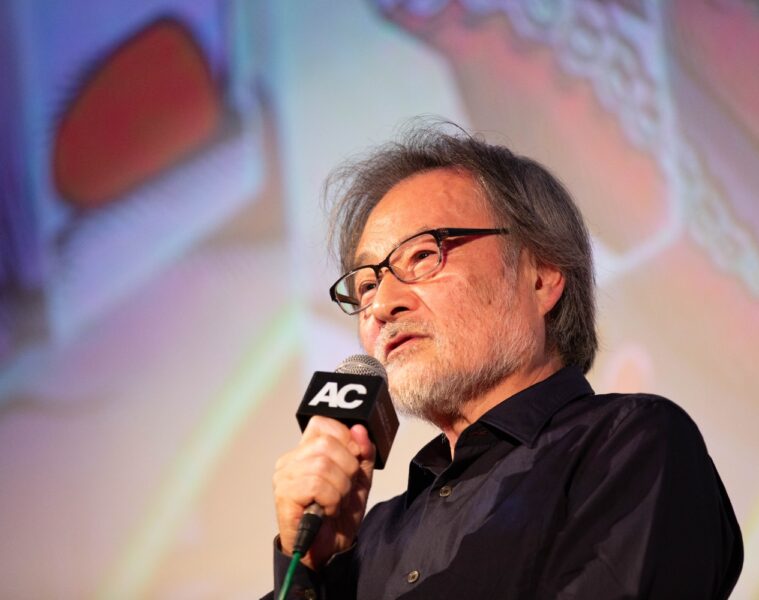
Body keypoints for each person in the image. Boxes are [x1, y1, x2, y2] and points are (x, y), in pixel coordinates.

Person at [266, 123, 743, 599]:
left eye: (423, 256)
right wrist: (308, 568)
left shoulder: (631, 444)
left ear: (541, 276)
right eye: (367, 285)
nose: (383, 305)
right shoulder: (369, 540)